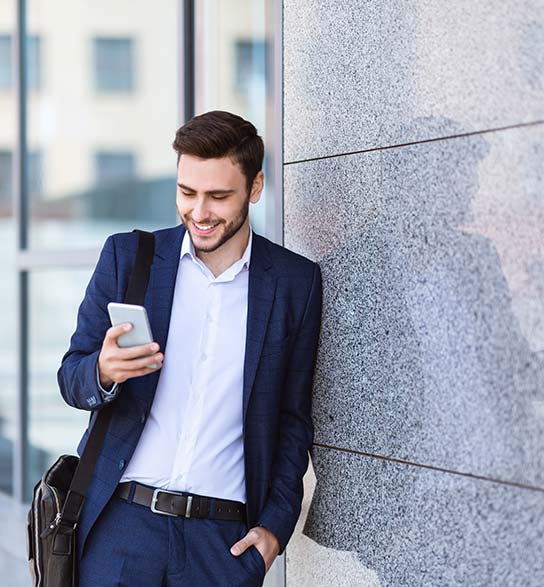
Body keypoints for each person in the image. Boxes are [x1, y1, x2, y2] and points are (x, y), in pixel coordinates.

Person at [57, 110, 323, 586]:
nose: (199, 212)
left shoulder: (293, 283)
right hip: (122, 527)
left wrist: (274, 531)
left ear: (255, 188)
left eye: (218, 196)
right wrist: (104, 370)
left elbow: (292, 418)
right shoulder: (128, 258)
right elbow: (71, 378)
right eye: (187, 193)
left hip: (220, 545)